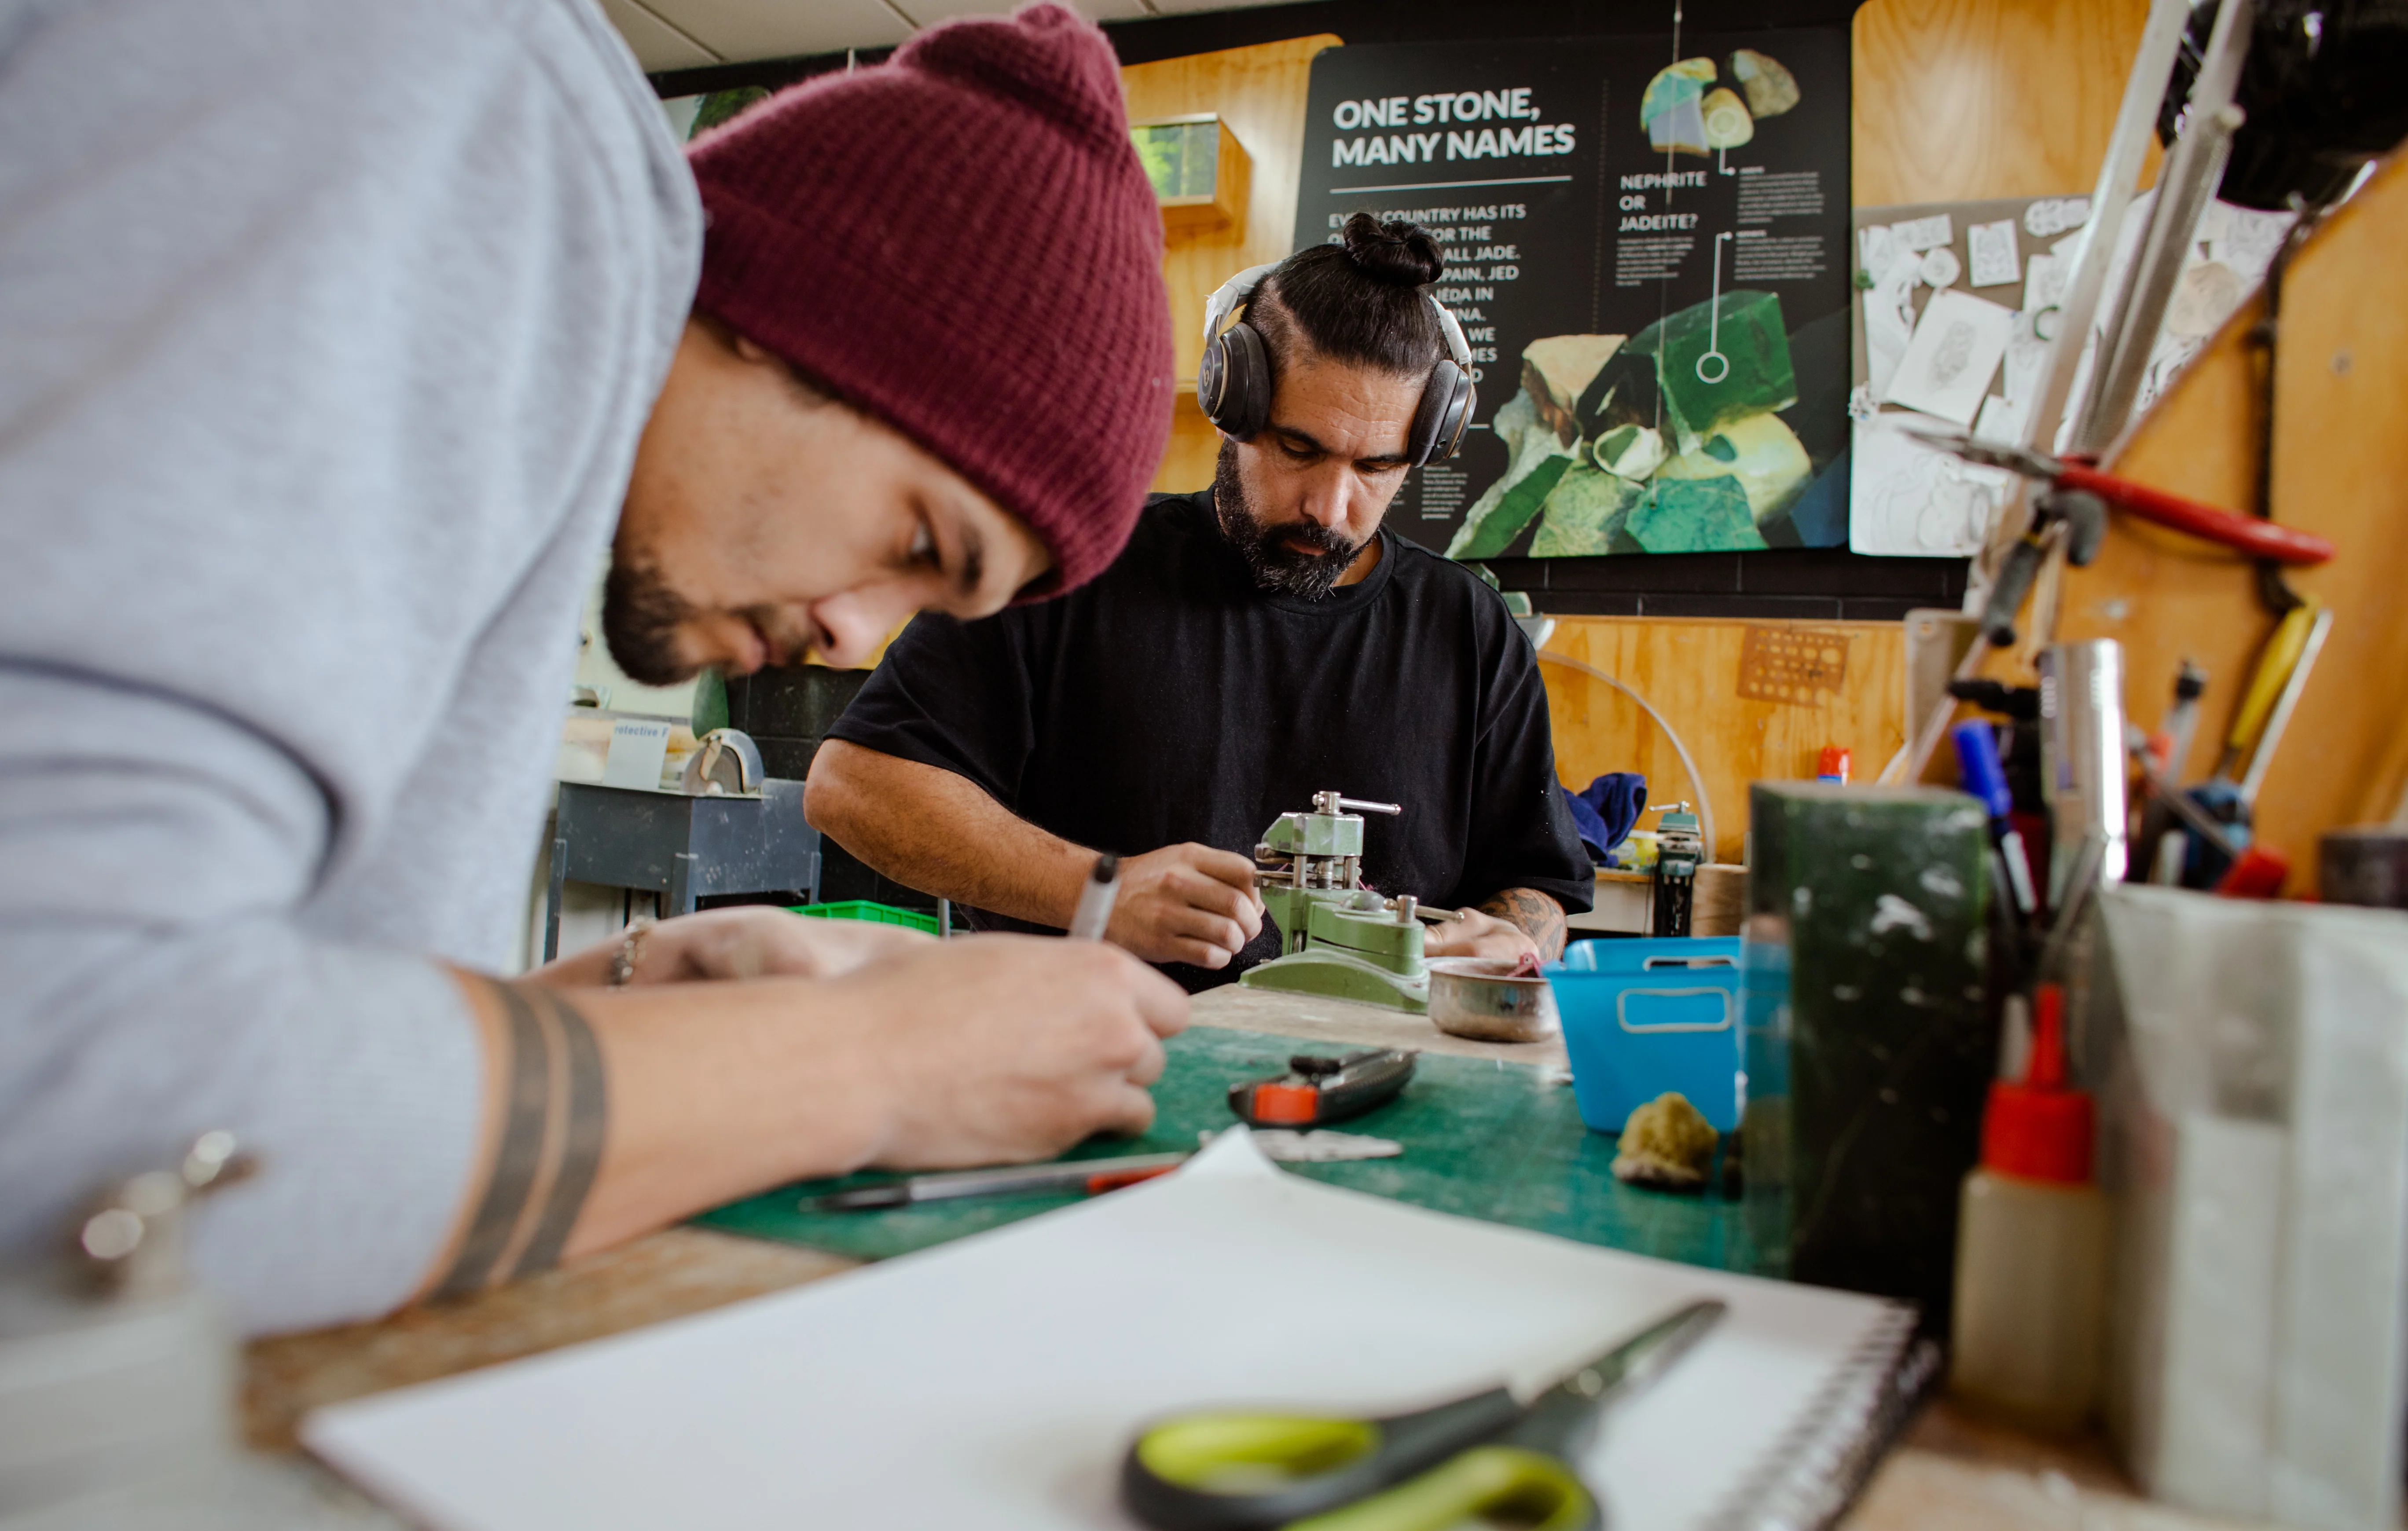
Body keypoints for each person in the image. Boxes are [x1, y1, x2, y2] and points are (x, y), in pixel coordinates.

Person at [0, 0, 1188, 1333]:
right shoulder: (465, 106)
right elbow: (54, 1072)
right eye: (917, 540)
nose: (856, 637)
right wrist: (865, 1067)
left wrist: (626, 1008)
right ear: (804, 313)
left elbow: (245, 1021)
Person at [806, 216, 1593, 991]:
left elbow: (1542, 891)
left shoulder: (1473, 632)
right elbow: (855, 785)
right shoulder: (1071, 566)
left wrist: (1512, 942)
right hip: (1082, 1065)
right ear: (1232, 399)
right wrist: (1098, 891)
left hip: (1381, 1085)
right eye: (1298, 449)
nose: (1331, 506)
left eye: (1378, 468)